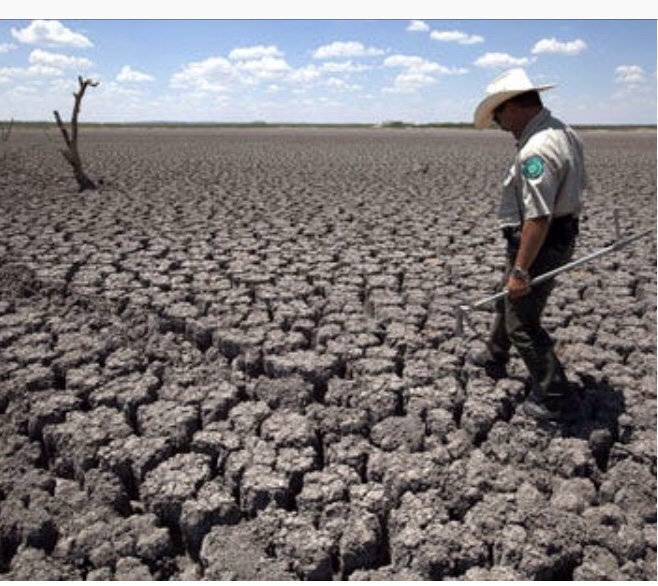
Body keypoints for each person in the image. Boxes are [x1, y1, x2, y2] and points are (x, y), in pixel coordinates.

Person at [471, 68, 587, 421]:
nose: (499, 123)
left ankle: (555, 397)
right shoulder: (563, 132)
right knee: (506, 296)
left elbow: (538, 217)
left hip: (540, 242)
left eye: (499, 114)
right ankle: (495, 354)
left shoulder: (537, 150)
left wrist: (521, 269)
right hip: (554, 236)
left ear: (514, 106)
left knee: (522, 321)